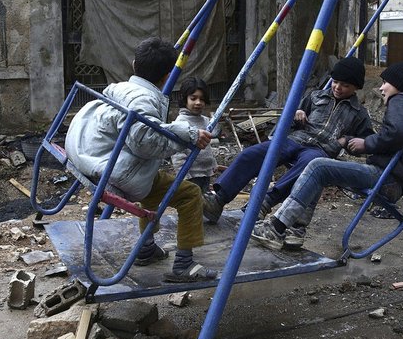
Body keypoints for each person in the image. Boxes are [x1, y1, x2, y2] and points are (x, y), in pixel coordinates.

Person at [65, 37, 217, 282]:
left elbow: (141, 134)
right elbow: (145, 143)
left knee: (155, 179)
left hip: (89, 156)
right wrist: (186, 139)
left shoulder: (120, 87)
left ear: (134, 64)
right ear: (168, 77)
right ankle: (184, 266)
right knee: (189, 194)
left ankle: (146, 248)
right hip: (114, 171)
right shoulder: (144, 100)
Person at [251, 61, 403, 251]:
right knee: (322, 170)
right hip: (396, 181)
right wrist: (355, 141)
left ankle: (276, 227)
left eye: (385, 82)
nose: (381, 87)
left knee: (318, 166)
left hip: (386, 178)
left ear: (399, 84)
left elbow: (398, 133)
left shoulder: (401, 100)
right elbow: (399, 138)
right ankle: (296, 231)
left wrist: (367, 143)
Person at [202, 56, 374, 223]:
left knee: (311, 164)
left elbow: (366, 141)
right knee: (252, 154)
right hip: (296, 140)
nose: (337, 87)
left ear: (356, 87)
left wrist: (346, 140)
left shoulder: (358, 113)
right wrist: (296, 113)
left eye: (345, 85)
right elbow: (290, 120)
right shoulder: (316, 97)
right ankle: (219, 199)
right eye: (336, 82)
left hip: (320, 149)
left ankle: (265, 202)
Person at [171, 77, 217, 193]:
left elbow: (208, 147)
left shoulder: (206, 121)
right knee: (193, 206)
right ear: (185, 99)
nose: (198, 103)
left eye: (202, 99)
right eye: (193, 98)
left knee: (204, 205)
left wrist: (213, 165)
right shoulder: (181, 122)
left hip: (206, 173)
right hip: (190, 175)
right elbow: (177, 154)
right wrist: (183, 176)